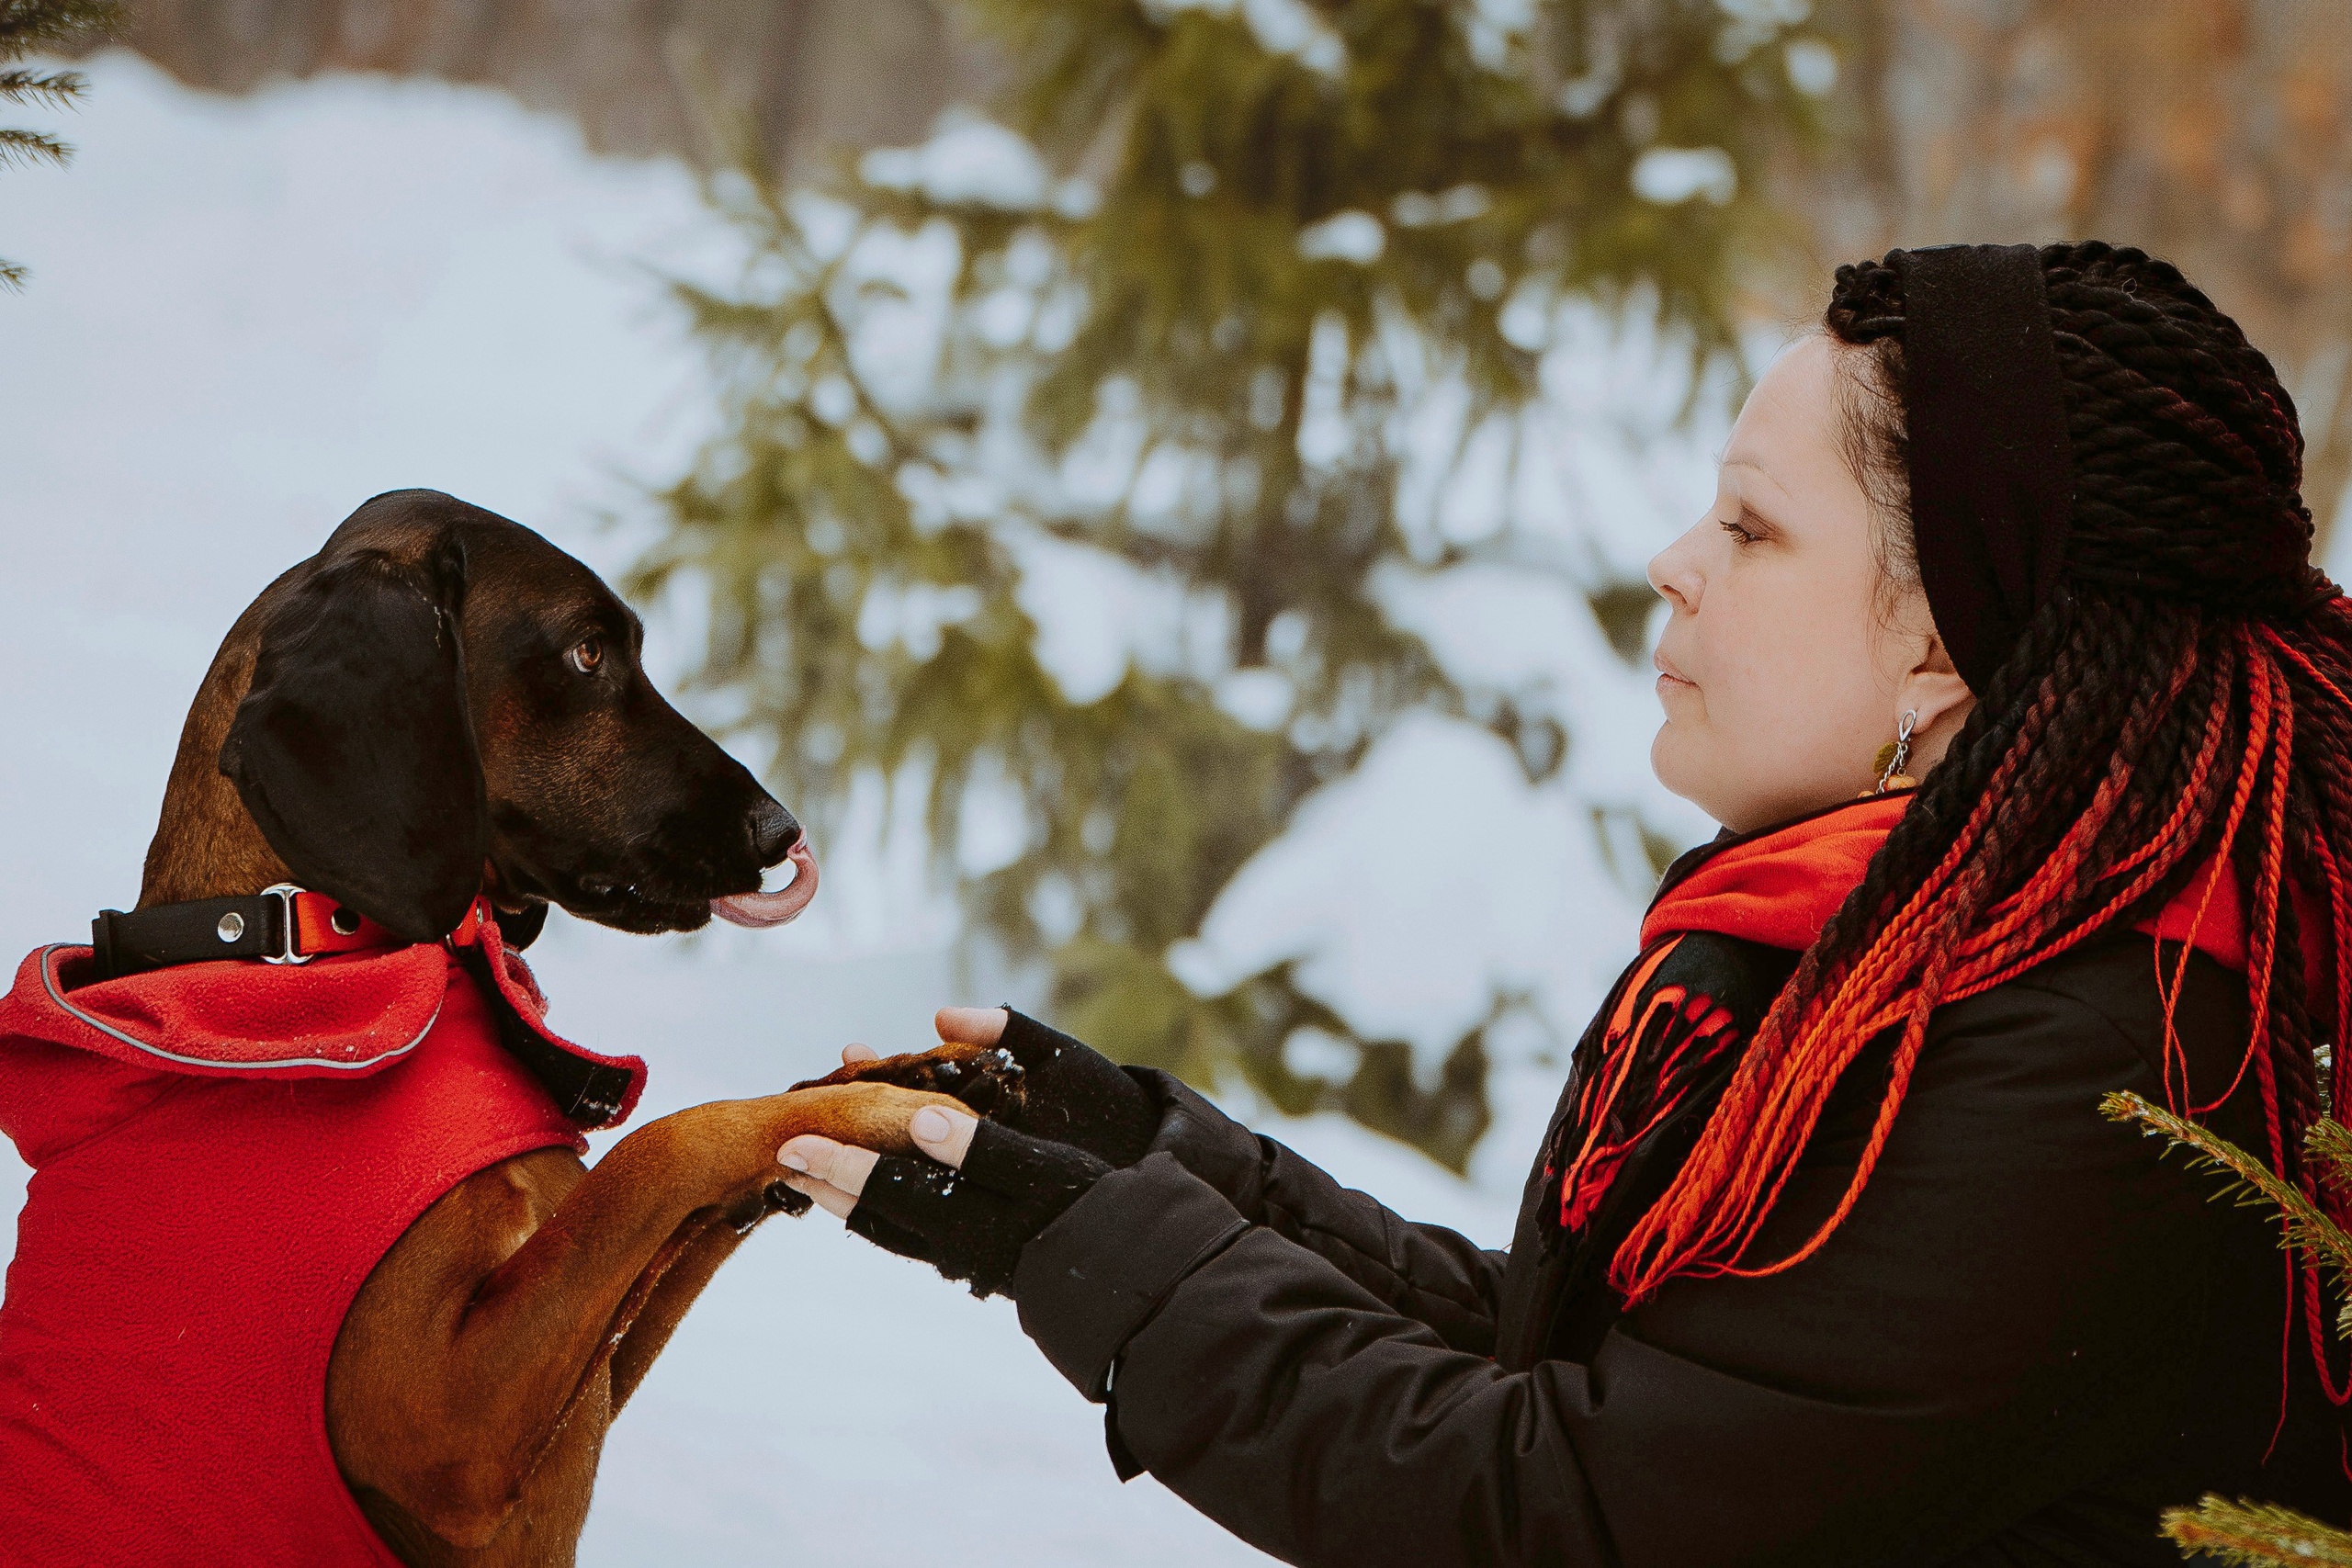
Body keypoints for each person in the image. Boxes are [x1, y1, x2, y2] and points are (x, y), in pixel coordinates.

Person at [777, 242, 2352, 1565]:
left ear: (1940, 643)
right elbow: (1606, 1383)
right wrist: (1153, 1160)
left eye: (1751, 527)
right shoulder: (1927, 954)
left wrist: (1100, 1252)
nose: (1673, 562)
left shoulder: (2101, 1062)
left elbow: (1573, 1515)